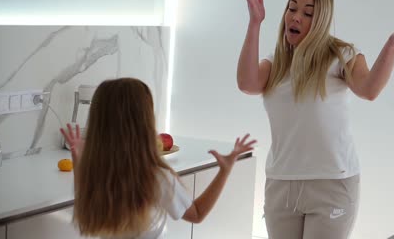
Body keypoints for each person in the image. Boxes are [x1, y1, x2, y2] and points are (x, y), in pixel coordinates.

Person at [237, 0, 394, 238]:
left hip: (331, 183)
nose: (295, 17)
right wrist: (254, 24)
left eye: (307, 13)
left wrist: (392, 44)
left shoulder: (340, 55)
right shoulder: (277, 62)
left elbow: (369, 89)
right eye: (292, 8)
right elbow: (247, 83)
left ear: (320, 22)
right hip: (281, 183)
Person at [60, 77, 256, 239]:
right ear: (144, 123)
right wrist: (225, 170)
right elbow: (196, 214)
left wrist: (78, 158)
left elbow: (83, 197)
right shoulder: (155, 178)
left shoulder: (101, 173)